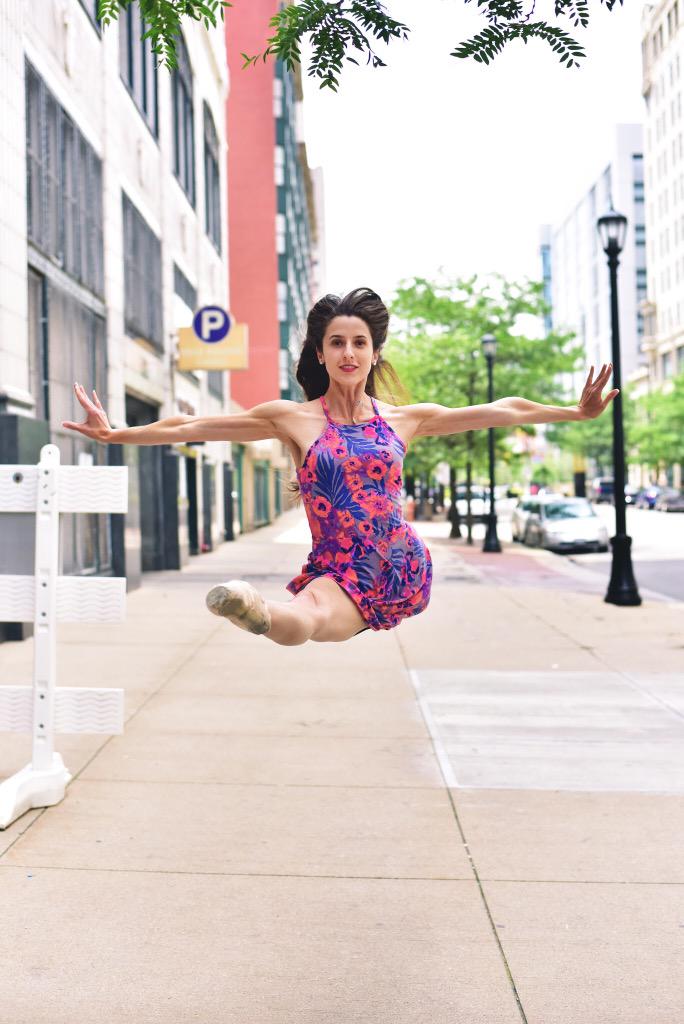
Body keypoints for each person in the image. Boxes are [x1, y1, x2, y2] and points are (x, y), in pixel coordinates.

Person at [62, 287, 618, 646]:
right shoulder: (293, 420)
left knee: (314, 621)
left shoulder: (405, 419)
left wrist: (572, 412)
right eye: (337, 343)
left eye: (360, 342)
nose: (349, 352)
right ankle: (250, 608)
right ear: (321, 354)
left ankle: (257, 610)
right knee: (307, 621)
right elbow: (189, 426)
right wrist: (116, 433)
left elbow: (503, 410)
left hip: (399, 564)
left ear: (374, 352)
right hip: (339, 563)